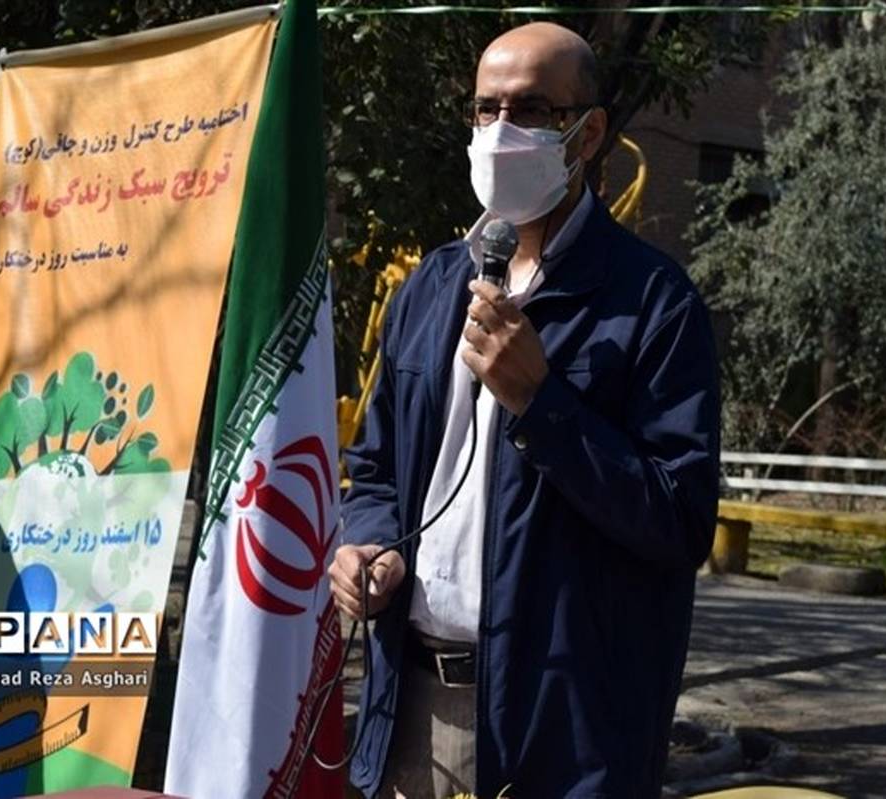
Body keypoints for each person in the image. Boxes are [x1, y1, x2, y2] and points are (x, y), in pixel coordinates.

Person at [330, 21, 720, 799]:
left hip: (562, 729)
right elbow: (375, 466)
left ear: (588, 134)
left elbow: (679, 520)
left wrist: (540, 402)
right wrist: (368, 541)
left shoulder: (653, 303)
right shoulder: (433, 286)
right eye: (487, 108)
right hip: (412, 704)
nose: (501, 130)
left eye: (532, 109)